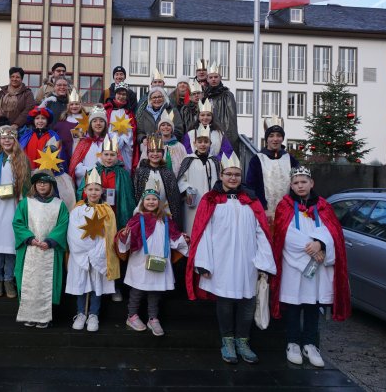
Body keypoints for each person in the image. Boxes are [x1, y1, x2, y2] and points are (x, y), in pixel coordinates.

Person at [186, 152, 277, 365]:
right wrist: (204, 263)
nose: (233, 178)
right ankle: (227, 340)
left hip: (248, 261)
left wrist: (264, 262)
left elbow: (261, 232)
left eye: (237, 174)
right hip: (221, 261)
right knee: (225, 302)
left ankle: (242, 340)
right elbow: (203, 232)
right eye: (229, 174)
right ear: (222, 175)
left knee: (247, 301)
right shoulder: (211, 200)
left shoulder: (251, 200)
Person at [269, 166, 351, 367]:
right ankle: (293, 343)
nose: (300, 186)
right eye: (296, 183)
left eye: (304, 182)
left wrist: (321, 244)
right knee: (294, 306)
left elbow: (332, 232)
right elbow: (284, 235)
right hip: (293, 265)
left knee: (313, 305)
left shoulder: (323, 206)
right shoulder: (285, 206)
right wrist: (315, 248)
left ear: (311, 183)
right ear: (291, 185)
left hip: (317, 267)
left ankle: (311, 344)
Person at [116, 179, 189, 337]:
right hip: (140, 261)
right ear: (143, 202)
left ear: (159, 202)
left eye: (154, 199)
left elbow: (173, 238)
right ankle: (132, 316)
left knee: (155, 292)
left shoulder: (166, 220)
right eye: (148, 199)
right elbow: (128, 241)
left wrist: (183, 240)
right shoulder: (137, 219)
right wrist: (124, 237)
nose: (151, 202)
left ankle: (153, 319)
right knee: (137, 290)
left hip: (159, 260)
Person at [76, 136, 136, 303]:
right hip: (94, 219)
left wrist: (126, 219)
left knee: (113, 251)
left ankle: (114, 285)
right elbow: (81, 193)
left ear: (117, 156)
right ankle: (96, 284)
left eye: (112, 154)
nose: (109, 158)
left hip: (115, 217)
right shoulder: (92, 172)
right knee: (96, 251)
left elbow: (128, 197)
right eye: (106, 154)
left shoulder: (123, 173)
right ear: (100, 155)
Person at [12, 169, 70, 328]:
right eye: (39, 182)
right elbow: (18, 223)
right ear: (35, 185)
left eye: (45, 182)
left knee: (46, 284)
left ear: (51, 185)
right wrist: (30, 239)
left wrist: (51, 241)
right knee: (29, 283)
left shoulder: (60, 205)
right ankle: (28, 315)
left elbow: (63, 225)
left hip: (49, 250)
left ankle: (45, 317)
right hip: (30, 249)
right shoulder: (26, 203)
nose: (42, 185)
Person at [66, 169, 119, 332]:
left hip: (99, 255)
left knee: (97, 285)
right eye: (90, 189)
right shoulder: (77, 209)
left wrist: (97, 253)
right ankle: (81, 313)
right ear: (85, 191)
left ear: (102, 191)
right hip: (81, 255)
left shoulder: (107, 210)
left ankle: (93, 314)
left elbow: (110, 234)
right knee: (82, 284)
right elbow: (73, 233)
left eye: (97, 189)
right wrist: (84, 253)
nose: (94, 192)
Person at [0, 128, 31, 298]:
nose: (6, 141)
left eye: (10, 138)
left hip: (13, 205)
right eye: (3, 138)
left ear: (15, 141)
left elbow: (26, 184)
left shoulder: (21, 159)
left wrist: (22, 199)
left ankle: (8, 279)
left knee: (11, 244)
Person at [18, 106, 78, 211]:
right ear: (33, 121)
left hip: (47, 176)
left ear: (47, 121)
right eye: (37, 118)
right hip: (29, 175)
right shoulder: (25, 136)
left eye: (43, 118)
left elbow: (59, 157)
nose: (40, 121)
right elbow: (20, 154)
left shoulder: (54, 137)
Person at [245, 116, 300, 222]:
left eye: (279, 135)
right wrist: (263, 208)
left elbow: (297, 184)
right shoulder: (257, 160)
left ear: (282, 138)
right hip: (265, 214)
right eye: (271, 136)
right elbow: (251, 187)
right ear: (267, 138)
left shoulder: (290, 159)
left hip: (288, 213)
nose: (275, 139)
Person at [176, 125, 222, 236]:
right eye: (199, 141)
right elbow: (181, 180)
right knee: (193, 228)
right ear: (194, 143)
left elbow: (220, 180)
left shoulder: (215, 161)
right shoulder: (188, 160)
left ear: (210, 144)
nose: (202, 144)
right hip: (194, 201)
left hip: (212, 201)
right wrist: (187, 189)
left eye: (206, 142)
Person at [134, 135, 184, 230]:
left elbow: (173, 198)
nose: (155, 154)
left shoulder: (168, 173)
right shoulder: (140, 172)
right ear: (147, 153)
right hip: (144, 213)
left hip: (164, 214)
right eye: (152, 151)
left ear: (163, 153)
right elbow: (137, 194)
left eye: (158, 151)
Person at [70, 104, 109, 187]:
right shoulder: (84, 143)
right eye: (94, 121)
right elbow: (76, 167)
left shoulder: (110, 142)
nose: (98, 123)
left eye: (101, 121)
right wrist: (92, 170)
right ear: (90, 124)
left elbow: (117, 163)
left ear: (105, 124)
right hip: (87, 185)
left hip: (107, 184)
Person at [202, 62, 239, 149]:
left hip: (222, 135)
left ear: (220, 78)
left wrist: (228, 139)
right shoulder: (204, 96)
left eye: (216, 77)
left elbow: (231, 120)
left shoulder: (227, 95)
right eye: (211, 77)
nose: (213, 79)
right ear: (207, 79)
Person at [103, 84, 138, 171]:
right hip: (110, 146)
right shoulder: (107, 111)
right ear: (115, 94)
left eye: (124, 94)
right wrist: (114, 140)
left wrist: (123, 140)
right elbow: (104, 128)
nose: (121, 96)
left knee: (125, 170)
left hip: (125, 148)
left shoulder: (129, 113)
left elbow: (132, 131)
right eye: (119, 93)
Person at [52, 88, 86, 161]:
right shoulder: (63, 120)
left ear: (80, 105)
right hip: (64, 154)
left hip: (80, 153)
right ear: (68, 106)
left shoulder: (86, 120)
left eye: (77, 104)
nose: (74, 106)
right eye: (72, 104)